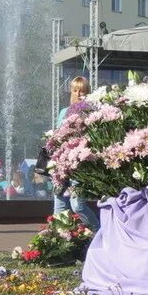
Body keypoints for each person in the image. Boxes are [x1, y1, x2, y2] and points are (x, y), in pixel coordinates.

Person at [53, 77, 101, 230]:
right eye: (74, 90)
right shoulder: (63, 112)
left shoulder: (91, 111)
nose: (78, 94)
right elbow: (56, 136)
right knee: (60, 208)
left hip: (79, 166)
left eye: (82, 91)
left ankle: (98, 231)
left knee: (78, 206)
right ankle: (64, 242)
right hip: (61, 166)